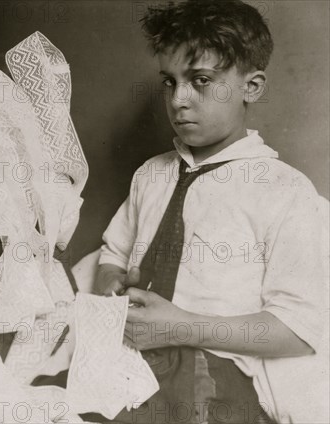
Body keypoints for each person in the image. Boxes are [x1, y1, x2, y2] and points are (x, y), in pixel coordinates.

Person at [96, 1, 327, 423]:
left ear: (251, 87)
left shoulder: (285, 191)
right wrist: (113, 286)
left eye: (200, 80)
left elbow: (297, 330)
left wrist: (182, 326)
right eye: (170, 82)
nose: (178, 100)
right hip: (125, 360)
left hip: (213, 375)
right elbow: (113, 252)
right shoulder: (151, 174)